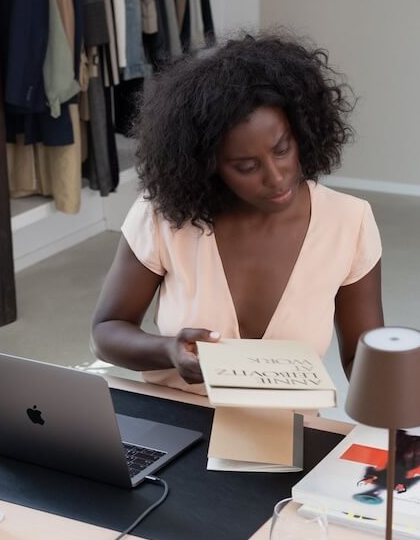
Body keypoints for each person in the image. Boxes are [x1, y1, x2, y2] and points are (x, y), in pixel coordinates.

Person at [91, 33, 384, 392]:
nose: (276, 178)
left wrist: (394, 388)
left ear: (302, 132)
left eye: (282, 149)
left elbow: (361, 359)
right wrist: (167, 350)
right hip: (179, 414)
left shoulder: (350, 222)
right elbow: (106, 332)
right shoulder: (165, 216)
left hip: (287, 424)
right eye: (246, 167)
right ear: (207, 164)